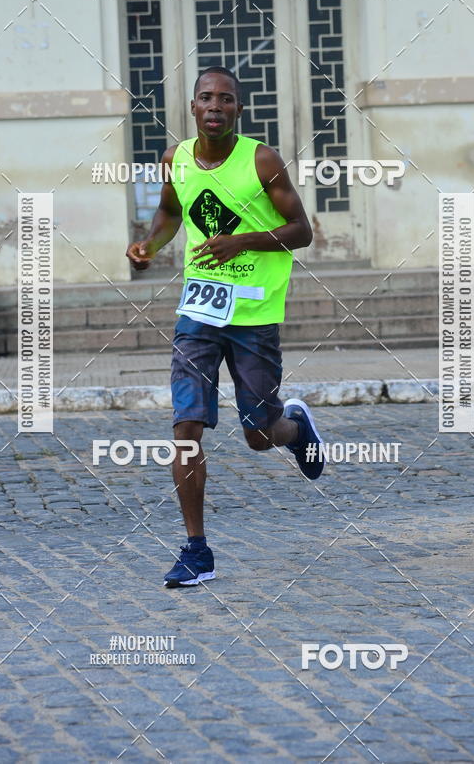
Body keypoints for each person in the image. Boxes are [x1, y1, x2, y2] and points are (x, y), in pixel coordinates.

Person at [126, 66, 327, 588]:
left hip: (254, 316)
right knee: (186, 428)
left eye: (225, 99)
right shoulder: (176, 159)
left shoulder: (261, 160)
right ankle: (196, 550)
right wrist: (150, 244)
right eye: (205, 98)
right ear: (192, 108)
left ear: (239, 110)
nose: (214, 106)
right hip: (199, 312)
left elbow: (301, 231)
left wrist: (243, 241)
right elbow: (170, 212)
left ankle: (294, 426)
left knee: (259, 433)